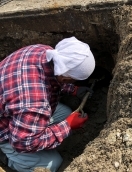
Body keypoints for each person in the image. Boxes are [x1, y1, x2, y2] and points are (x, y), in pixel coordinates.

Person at [0, 36, 95, 172]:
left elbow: (51, 78)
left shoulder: (44, 51)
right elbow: (23, 143)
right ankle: (7, 157)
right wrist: (67, 126)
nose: (72, 83)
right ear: (65, 77)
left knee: (67, 114)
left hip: (13, 105)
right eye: (73, 81)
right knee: (52, 164)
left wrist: (74, 90)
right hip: (7, 133)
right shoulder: (34, 103)